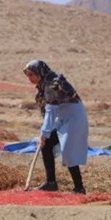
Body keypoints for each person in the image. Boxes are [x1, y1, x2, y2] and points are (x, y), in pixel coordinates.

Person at [23, 59, 89, 193]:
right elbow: (49, 111)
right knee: (46, 144)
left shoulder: (52, 85)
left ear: (38, 73)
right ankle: (51, 182)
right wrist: (45, 134)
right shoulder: (44, 85)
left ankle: (79, 187)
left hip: (73, 120)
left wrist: (45, 132)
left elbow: (50, 110)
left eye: (31, 74)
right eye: (27, 75)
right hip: (62, 119)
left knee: (68, 151)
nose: (29, 78)